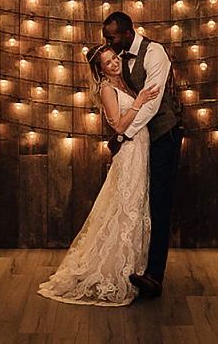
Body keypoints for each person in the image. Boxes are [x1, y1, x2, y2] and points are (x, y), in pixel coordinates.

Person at [37, 44, 160, 306]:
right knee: (125, 206)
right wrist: (138, 104)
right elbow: (117, 125)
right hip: (130, 150)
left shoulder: (126, 81)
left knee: (138, 207)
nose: (114, 63)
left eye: (114, 58)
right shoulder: (107, 88)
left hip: (142, 148)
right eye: (107, 62)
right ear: (100, 69)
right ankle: (113, 272)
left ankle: (133, 269)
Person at [102, 11, 184, 299]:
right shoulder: (120, 57)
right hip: (140, 140)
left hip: (164, 134)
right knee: (139, 199)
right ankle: (134, 265)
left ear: (127, 32)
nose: (107, 42)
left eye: (110, 36)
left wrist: (123, 134)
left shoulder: (155, 53)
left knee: (159, 202)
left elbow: (151, 104)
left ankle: (154, 276)